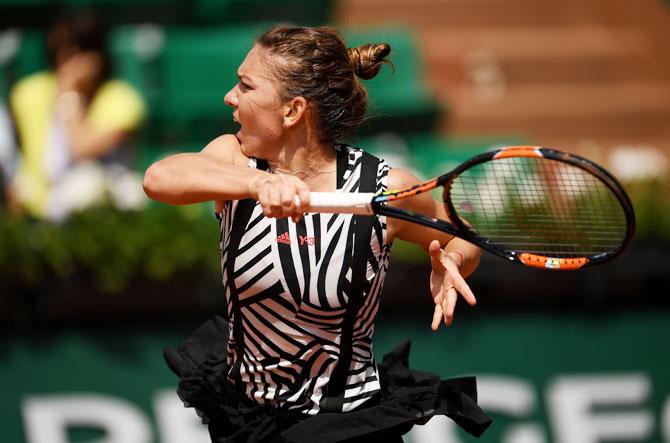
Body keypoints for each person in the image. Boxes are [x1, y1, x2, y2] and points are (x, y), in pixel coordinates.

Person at [143, 24, 491, 442]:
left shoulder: (383, 187)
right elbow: (160, 178)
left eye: (245, 86)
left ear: (292, 111)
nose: (230, 98)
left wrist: (453, 260)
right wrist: (257, 185)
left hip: (348, 427)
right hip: (248, 423)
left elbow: (461, 233)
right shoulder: (234, 161)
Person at [9, 11, 145, 220]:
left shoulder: (122, 98)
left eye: (81, 50)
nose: (70, 60)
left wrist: (69, 93)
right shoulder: (28, 93)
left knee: (86, 184)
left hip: (104, 212)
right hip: (38, 212)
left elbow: (80, 148)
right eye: (63, 51)